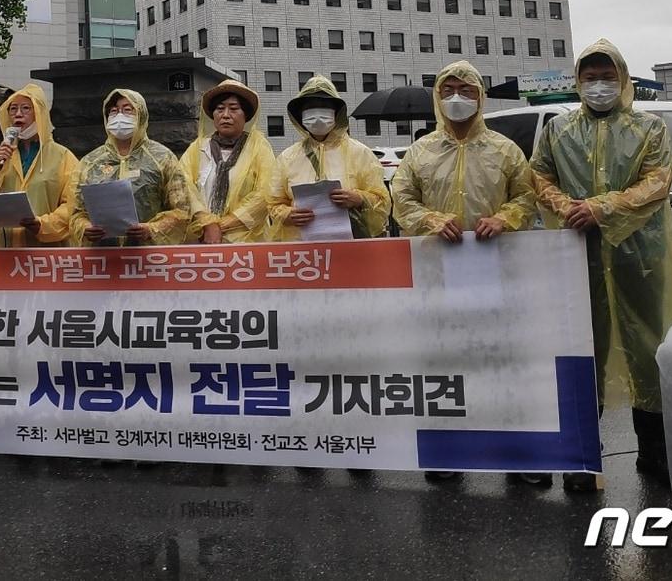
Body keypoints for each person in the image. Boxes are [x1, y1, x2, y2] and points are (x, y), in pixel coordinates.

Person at [530, 40, 672, 492]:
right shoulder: (557, 129)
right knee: (583, 350)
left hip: (641, 254)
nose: (599, 85)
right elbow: (538, 175)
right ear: (578, 82)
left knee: (648, 349)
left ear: (623, 78)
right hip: (580, 252)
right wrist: (567, 205)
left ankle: (654, 454)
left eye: (607, 75)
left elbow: (659, 178)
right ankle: (583, 458)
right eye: (590, 76)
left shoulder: (650, 127)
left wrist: (600, 207)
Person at [391, 61, 541, 485]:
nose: (457, 98)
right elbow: (400, 198)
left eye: (467, 89)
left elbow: (527, 196)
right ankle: (447, 450)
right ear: (438, 98)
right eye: (449, 89)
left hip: (496, 268)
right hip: (437, 271)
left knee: (503, 359)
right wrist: (431, 220)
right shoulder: (420, 151)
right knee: (443, 360)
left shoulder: (505, 149)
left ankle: (518, 454)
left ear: (480, 96)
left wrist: (506, 218)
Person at [268, 75, 390, 240]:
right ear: (300, 116)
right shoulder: (287, 158)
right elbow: (273, 202)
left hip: (352, 243)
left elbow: (382, 201)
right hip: (303, 249)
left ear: (337, 113)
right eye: (310, 108)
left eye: (324, 107)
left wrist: (359, 199)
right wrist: (288, 214)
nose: (317, 115)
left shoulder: (360, 153)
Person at [70, 89, 194, 247]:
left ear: (141, 115)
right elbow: (76, 212)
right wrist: (84, 228)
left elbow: (182, 210)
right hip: (103, 259)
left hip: (149, 258)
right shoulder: (91, 162)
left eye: (127, 110)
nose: (119, 116)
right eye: (113, 111)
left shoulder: (162, 158)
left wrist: (152, 229)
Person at [0, 85, 80, 247]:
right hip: (4, 251)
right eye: (13, 109)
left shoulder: (62, 156)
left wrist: (43, 225)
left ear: (40, 113)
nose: (18, 114)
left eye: (26, 108)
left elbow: (73, 203)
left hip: (45, 253)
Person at [181, 79, 276, 244]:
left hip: (247, 242)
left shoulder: (259, 148)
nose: (225, 115)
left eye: (233, 109)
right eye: (220, 109)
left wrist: (222, 226)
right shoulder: (197, 148)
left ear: (245, 115)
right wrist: (206, 223)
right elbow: (183, 186)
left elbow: (265, 194)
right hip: (202, 239)